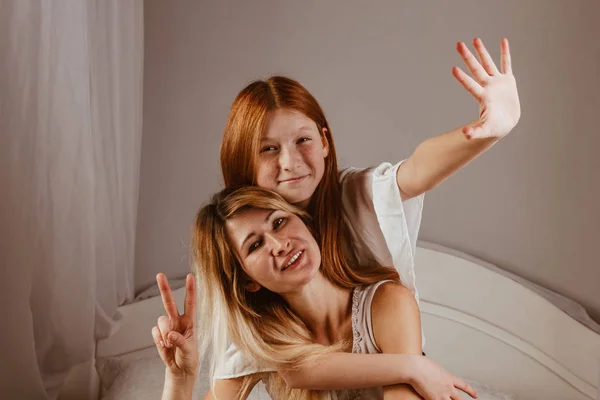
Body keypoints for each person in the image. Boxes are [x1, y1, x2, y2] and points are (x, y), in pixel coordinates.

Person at [156, 37, 519, 398]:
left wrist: (488, 130)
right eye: (268, 149)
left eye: (303, 141)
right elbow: (294, 367)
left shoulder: (358, 204)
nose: (290, 162)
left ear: (325, 141)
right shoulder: (261, 330)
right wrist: (180, 379)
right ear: (246, 277)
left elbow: (416, 171)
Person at [154, 186, 476, 399]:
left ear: (304, 221)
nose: (280, 245)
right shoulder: (261, 348)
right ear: (247, 281)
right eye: (255, 245)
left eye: (279, 222)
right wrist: (180, 379)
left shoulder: (387, 306)